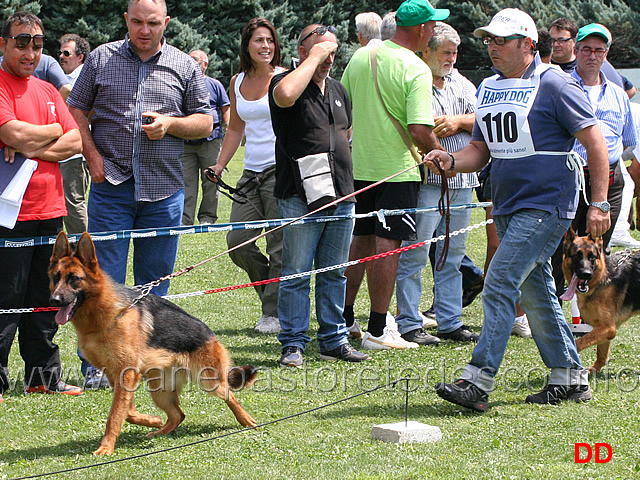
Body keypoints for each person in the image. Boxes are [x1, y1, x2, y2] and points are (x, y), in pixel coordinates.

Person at [429, 8, 611, 411]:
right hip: (508, 203)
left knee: (500, 279)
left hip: (549, 204)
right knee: (537, 290)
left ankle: (477, 382)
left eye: (500, 40)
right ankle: (570, 378)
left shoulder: (556, 84)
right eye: (489, 40)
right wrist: (451, 160)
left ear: (527, 44)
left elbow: (596, 144)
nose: (491, 46)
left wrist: (598, 203)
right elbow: (479, 151)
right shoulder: (489, 87)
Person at [68, 0, 213, 298]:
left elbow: (205, 122)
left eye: (153, 23)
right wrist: (92, 158)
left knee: (155, 288)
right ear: (126, 19)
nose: (144, 30)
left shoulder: (184, 65)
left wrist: (170, 124)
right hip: (110, 186)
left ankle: (148, 347)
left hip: (164, 191)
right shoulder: (101, 58)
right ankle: (99, 347)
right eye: (137, 22)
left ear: (167, 23)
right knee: (102, 288)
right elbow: (76, 110)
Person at [341, 0, 448, 350]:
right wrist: (438, 153)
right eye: (432, 27)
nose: (432, 33)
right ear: (419, 29)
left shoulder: (360, 57)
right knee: (389, 248)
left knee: (360, 242)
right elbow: (419, 127)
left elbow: (342, 107)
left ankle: (344, 320)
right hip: (398, 169)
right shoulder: (415, 68)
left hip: (358, 166)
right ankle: (377, 329)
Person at [269, 23, 370, 367]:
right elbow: (284, 96)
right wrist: (311, 59)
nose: (329, 58)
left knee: (335, 272)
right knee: (296, 273)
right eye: (321, 51)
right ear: (303, 52)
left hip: (342, 194)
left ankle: (333, 339)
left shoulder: (339, 90)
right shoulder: (285, 84)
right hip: (299, 195)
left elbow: (346, 132)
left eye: (332, 51)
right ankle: (294, 343)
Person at [0, 11, 83, 402]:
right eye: (21, 41)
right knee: (6, 297)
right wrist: (51, 133)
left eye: (36, 43)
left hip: (50, 211)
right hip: (9, 212)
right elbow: (10, 131)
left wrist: (35, 140)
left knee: (46, 296)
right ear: (3, 44)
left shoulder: (49, 90)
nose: (30, 50)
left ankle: (43, 377)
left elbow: (76, 142)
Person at [395, 22, 479, 346]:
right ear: (426, 51)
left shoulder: (462, 83)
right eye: (446, 52)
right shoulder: (414, 79)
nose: (452, 58)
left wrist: (459, 121)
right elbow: (410, 124)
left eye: (455, 53)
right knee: (415, 253)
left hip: (463, 180)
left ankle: (449, 320)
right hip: (426, 182)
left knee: (452, 254)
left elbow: (482, 117)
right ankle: (410, 322)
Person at [207, 18, 284, 334]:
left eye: (270, 40)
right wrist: (220, 165)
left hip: (281, 171)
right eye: (259, 41)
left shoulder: (284, 78)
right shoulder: (237, 81)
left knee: (279, 245)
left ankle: (274, 313)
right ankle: (275, 296)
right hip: (250, 173)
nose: (265, 46)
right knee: (238, 241)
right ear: (247, 46)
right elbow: (236, 127)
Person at [550, 23, 637, 298]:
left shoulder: (618, 95)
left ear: (606, 54)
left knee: (598, 251)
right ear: (576, 50)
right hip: (568, 177)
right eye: (586, 49)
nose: (592, 55)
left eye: (599, 50)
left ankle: (591, 316)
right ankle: (554, 309)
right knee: (560, 250)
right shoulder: (560, 87)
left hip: (609, 179)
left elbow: (627, 141)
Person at [180, 49, 230, 226]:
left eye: (194, 60)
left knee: (211, 180)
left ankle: (207, 218)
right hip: (186, 143)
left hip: (211, 141)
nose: (191, 63)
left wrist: (228, 125)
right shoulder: (182, 83)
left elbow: (226, 108)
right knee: (186, 183)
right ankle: (185, 220)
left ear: (205, 64)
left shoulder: (214, 85)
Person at [548, 17, 636, 99]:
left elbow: (630, 90)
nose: (555, 44)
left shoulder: (591, 66)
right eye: (552, 40)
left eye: (562, 40)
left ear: (574, 42)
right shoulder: (543, 68)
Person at [58, 33, 91, 235]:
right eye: (60, 52)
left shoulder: (81, 79)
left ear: (80, 57)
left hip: (76, 153)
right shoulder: (64, 79)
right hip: (63, 150)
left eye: (66, 53)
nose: (61, 56)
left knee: (73, 200)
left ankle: (82, 247)